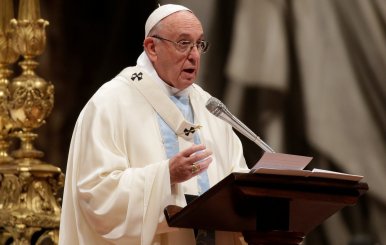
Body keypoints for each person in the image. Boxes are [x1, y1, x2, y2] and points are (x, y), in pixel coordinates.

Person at [59, 4, 248, 245]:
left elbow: (237, 181)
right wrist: (165, 175)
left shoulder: (209, 108)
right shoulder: (111, 103)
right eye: (183, 43)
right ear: (152, 48)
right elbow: (96, 193)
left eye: (199, 44)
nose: (194, 55)